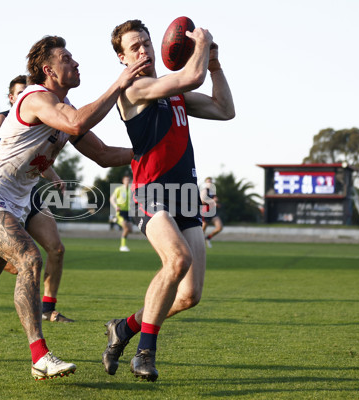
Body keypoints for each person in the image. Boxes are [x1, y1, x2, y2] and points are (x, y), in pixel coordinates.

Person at [0, 35, 149, 380]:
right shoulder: (37, 97)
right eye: (67, 58)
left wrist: (149, 151)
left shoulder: (65, 112)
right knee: (30, 257)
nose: (76, 62)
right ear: (47, 69)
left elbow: (103, 155)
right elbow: (77, 123)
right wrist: (119, 83)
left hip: (16, 203)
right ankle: (40, 356)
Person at [102, 20, 235, 382]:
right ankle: (145, 352)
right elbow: (190, 78)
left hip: (186, 195)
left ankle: (124, 329)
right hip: (153, 193)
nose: (144, 50)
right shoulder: (135, 89)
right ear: (122, 58)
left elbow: (225, 110)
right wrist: (202, 46)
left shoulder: (173, 93)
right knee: (177, 259)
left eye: (147, 42)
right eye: (135, 47)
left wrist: (216, 66)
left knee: (190, 295)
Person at [0, 74, 74, 322]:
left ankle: (48, 309)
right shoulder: (0, 120)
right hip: (0, 192)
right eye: (23, 91)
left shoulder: (47, 117)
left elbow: (36, 157)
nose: (31, 93)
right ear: (12, 97)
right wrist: (7, 172)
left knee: (56, 249)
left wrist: (53, 176)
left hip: (29, 191)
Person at [110, 175, 133, 252]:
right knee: (126, 228)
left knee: (130, 229)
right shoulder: (119, 189)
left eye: (129, 180)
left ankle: (116, 221)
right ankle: (123, 246)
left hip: (128, 211)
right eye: (126, 180)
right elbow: (112, 199)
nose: (127, 181)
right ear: (123, 181)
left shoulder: (132, 189)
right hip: (121, 211)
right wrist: (115, 206)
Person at [200, 176, 223, 248]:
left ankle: (208, 238)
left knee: (219, 227)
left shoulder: (213, 192)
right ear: (206, 183)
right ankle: (199, 244)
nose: (209, 183)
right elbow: (202, 201)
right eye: (208, 182)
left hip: (213, 212)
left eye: (210, 181)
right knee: (202, 231)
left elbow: (214, 202)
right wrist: (213, 202)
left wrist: (217, 204)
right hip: (205, 212)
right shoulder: (204, 191)